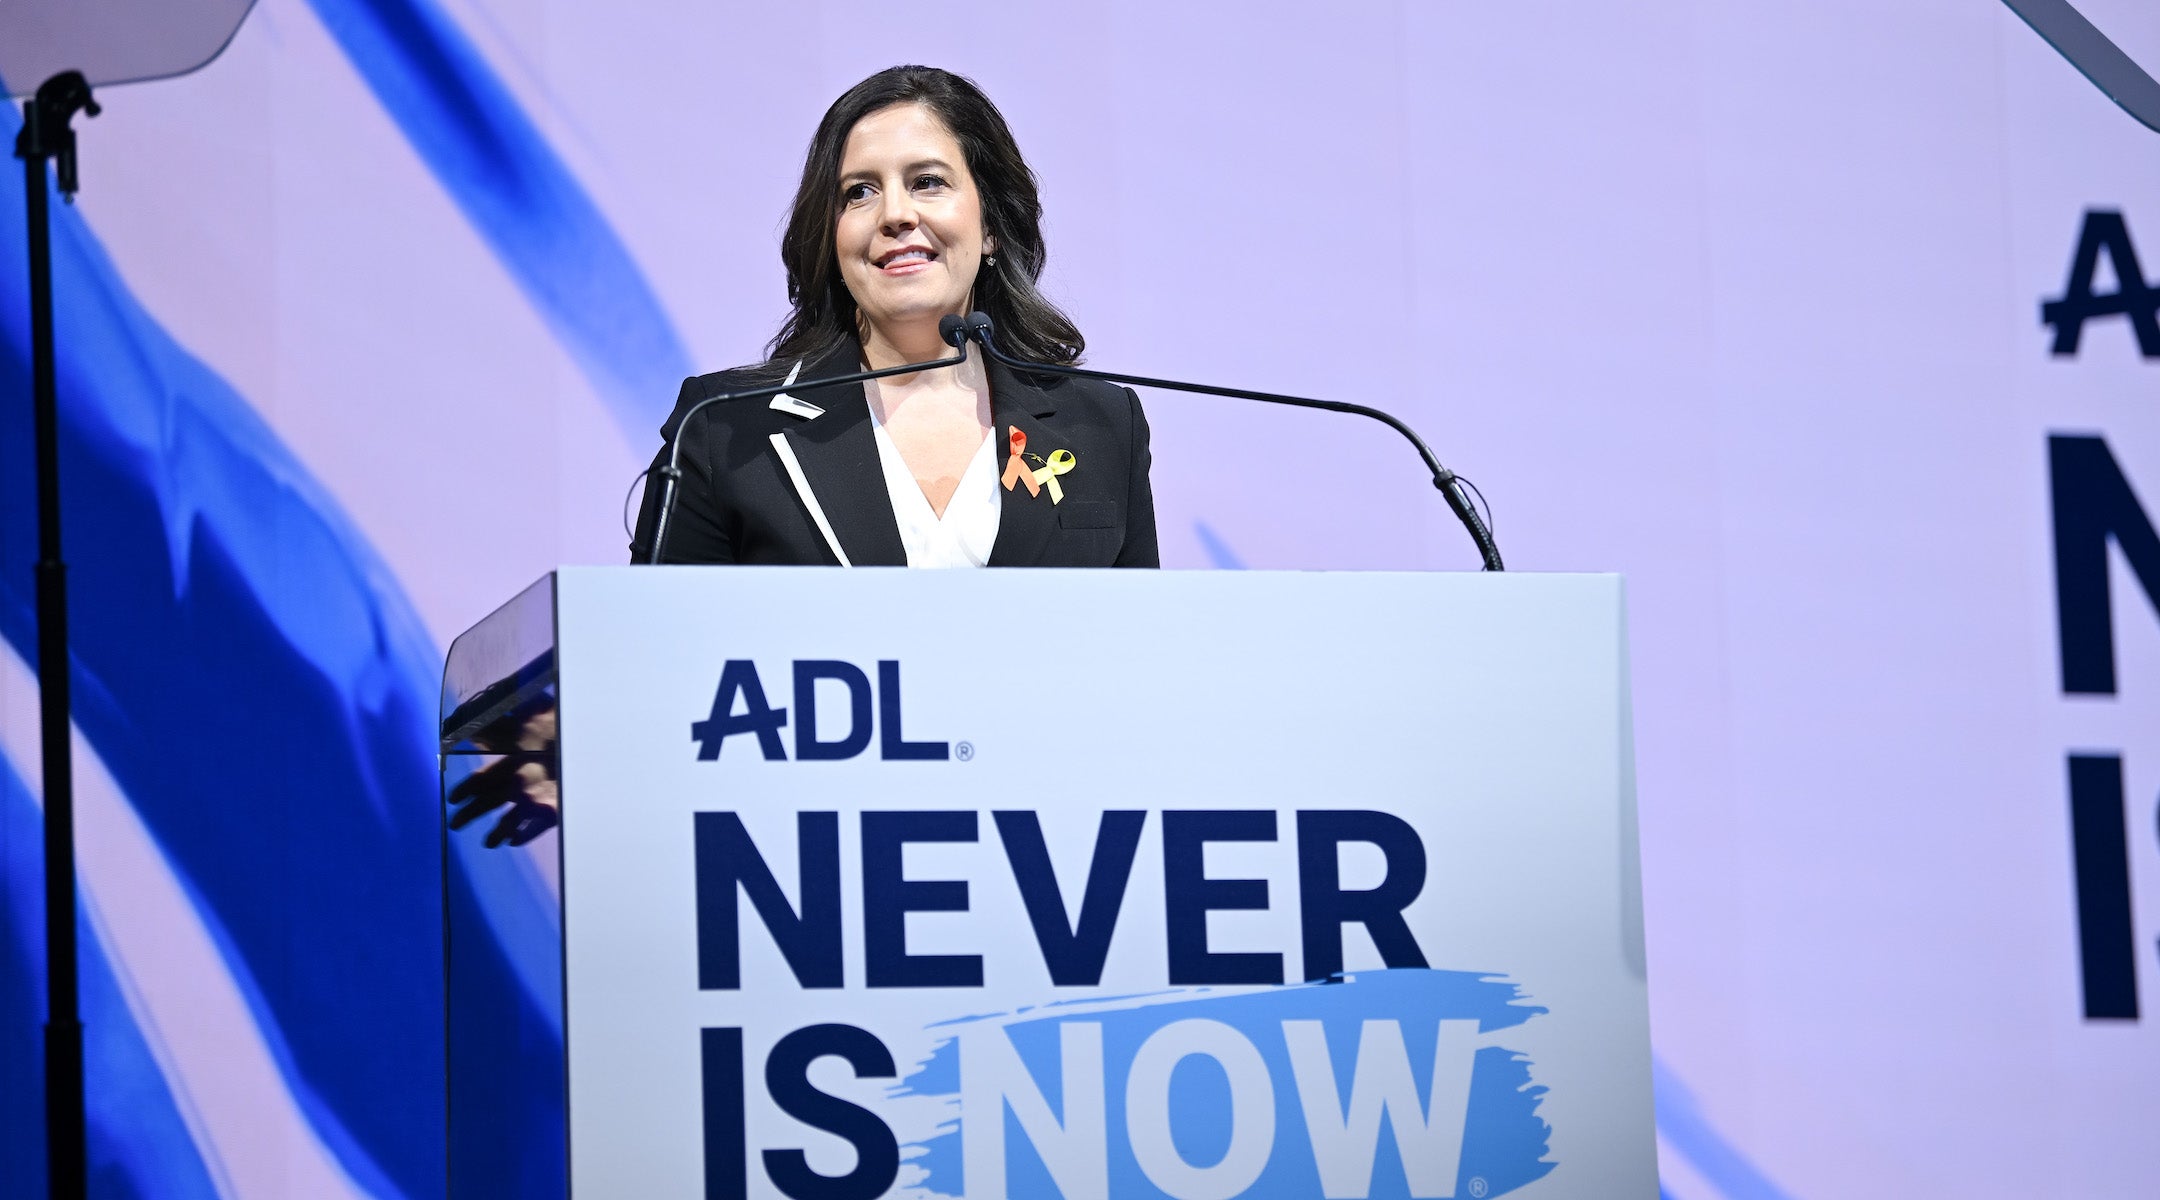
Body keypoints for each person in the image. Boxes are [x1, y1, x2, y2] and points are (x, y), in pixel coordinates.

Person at [630, 65, 1158, 568]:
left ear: (991, 226)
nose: (895, 215)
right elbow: (655, 649)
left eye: (927, 181)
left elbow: (1143, 648)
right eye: (859, 193)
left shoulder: (1105, 426)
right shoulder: (724, 427)